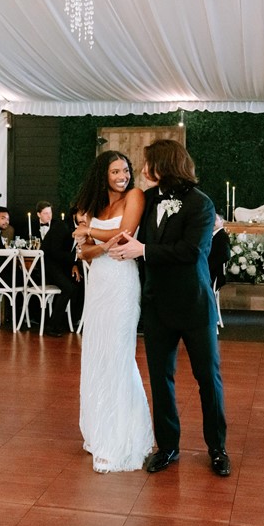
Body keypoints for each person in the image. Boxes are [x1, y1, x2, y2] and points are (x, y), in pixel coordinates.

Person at [107, 140, 230, 477]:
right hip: (157, 304)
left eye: (148, 163)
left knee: (208, 378)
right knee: (160, 379)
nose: (142, 169)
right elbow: (122, 231)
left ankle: (217, 448)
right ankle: (168, 447)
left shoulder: (201, 205)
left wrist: (143, 251)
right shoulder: (145, 201)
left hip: (193, 303)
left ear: (162, 165)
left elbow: (192, 251)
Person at [70, 151, 152, 472]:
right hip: (99, 285)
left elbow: (126, 235)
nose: (123, 175)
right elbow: (85, 254)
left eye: (126, 169)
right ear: (102, 174)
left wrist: (90, 233)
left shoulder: (135, 196)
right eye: (116, 170)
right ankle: (98, 429)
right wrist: (97, 242)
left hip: (122, 282)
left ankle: (122, 437)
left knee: (119, 355)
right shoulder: (93, 207)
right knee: (96, 354)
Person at [33, 201, 77, 337]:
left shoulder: (72, 226)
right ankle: (52, 325)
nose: (86, 218)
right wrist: (76, 258)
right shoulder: (62, 226)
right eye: (83, 214)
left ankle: (72, 320)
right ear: (75, 214)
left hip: (60, 265)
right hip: (47, 267)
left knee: (77, 284)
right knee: (68, 288)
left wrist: (75, 263)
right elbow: (55, 252)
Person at [208, 213, 231, 291]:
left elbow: (226, 255)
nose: (213, 222)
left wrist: (209, 266)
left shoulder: (222, 235)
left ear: (222, 222)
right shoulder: (215, 235)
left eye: (215, 220)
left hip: (215, 273)